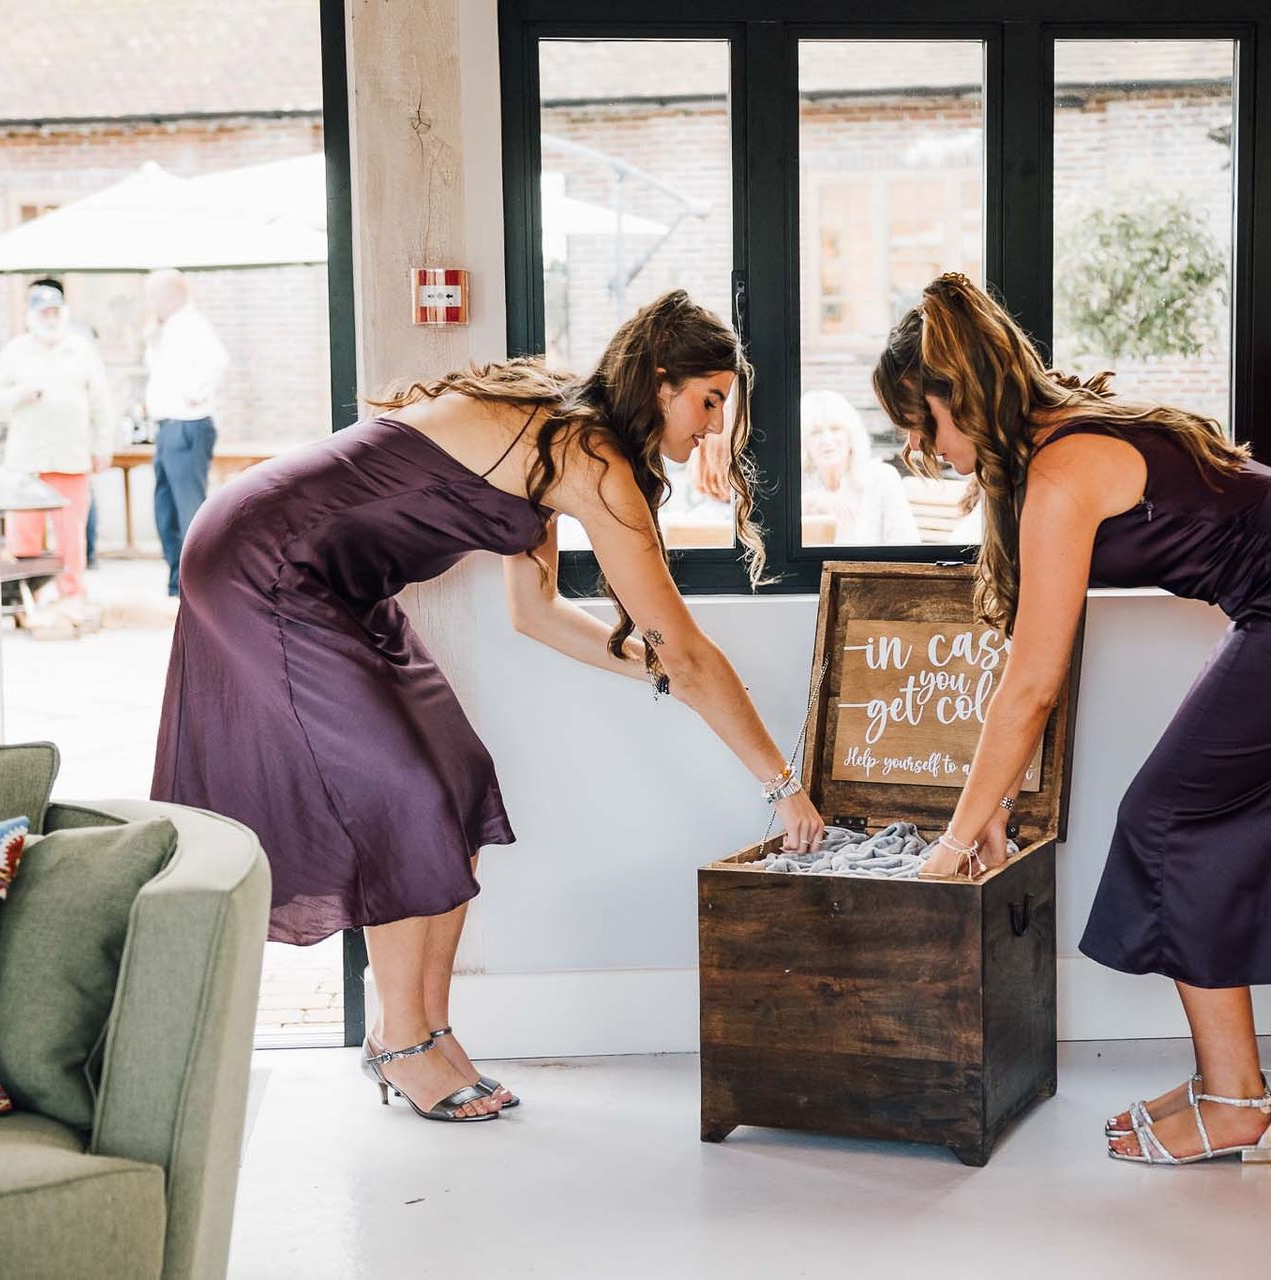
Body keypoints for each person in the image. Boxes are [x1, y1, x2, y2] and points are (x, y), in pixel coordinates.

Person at [153, 291, 825, 1123]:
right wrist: (780, 783)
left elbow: (536, 614)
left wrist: (662, 674)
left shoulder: (565, 443)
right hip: (265, 563)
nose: (716, 424)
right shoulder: (586, 452)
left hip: (338, 586)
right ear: (659, 381)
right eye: (709, 399)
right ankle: (399, 1038)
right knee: (406, 794)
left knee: (461, 780)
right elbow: (683, 646)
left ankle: (427, 1033)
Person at [873, 273, 1271, 1166]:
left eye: (917, 421)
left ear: (954, 396)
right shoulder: (1058, 440)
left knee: (1165, 818)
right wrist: (994, 806)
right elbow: (1036, 662)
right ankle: (1224, 1082)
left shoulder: (1061, 472)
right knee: (1189, 816)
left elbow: (1032, 683)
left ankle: (1237, 1103)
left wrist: (956, 839)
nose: (917, 446)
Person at [0, 277, 114, 628]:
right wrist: (18, 395)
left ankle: (71, 595)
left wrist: (103, 446)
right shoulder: (14, 352)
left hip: (70, 456)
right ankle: (27, 599)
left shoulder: (81, 350)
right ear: (30, 316)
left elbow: (101, 402)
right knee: (24, 536)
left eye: (55, 312)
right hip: (26, 460)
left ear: (64, 314)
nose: (50, 318)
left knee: (71, 535)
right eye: (43, 312)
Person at [143, 268, 229, 597]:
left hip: (187, 423)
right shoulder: (168, 328)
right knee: (165, 506)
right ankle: (178, 577)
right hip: (167, 425)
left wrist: (197, 392)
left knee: (187, 507)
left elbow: (218, 361)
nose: (150, 304)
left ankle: (197, 582)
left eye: (152, 296)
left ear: (168, 296)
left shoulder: (193, 325)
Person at [800, 388, 919, 544]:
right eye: (815, 432)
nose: (827, 440)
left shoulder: (883, 478)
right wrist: (814, 501)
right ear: (803, 441)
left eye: (835, 429)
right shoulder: (801, 486)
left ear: (851, 434)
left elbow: (907, 543)